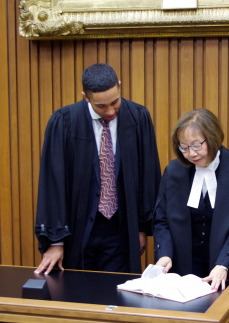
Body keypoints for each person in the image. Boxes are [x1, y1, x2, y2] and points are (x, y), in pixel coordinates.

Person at [34, 63, 161, 275]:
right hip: (78, 229)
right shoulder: (64, 122)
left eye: (115, 102)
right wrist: (56, 241)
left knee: (118, 296)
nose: (110, 111)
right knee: (77, 295)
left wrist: (141, 228)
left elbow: (148, 176)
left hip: (122, 229)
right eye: (101, 106)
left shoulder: (138, 117)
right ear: (86, 97)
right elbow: (52, 183)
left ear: (119, 86)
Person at [153, 109, 229, 291]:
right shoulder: (173, 171)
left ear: (213, 137)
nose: (191, 154)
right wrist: (164, 254)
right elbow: (162, 220)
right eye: (183, 147)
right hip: (182, 267)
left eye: (197, 145)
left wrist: (224, 264)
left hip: (224, 267)